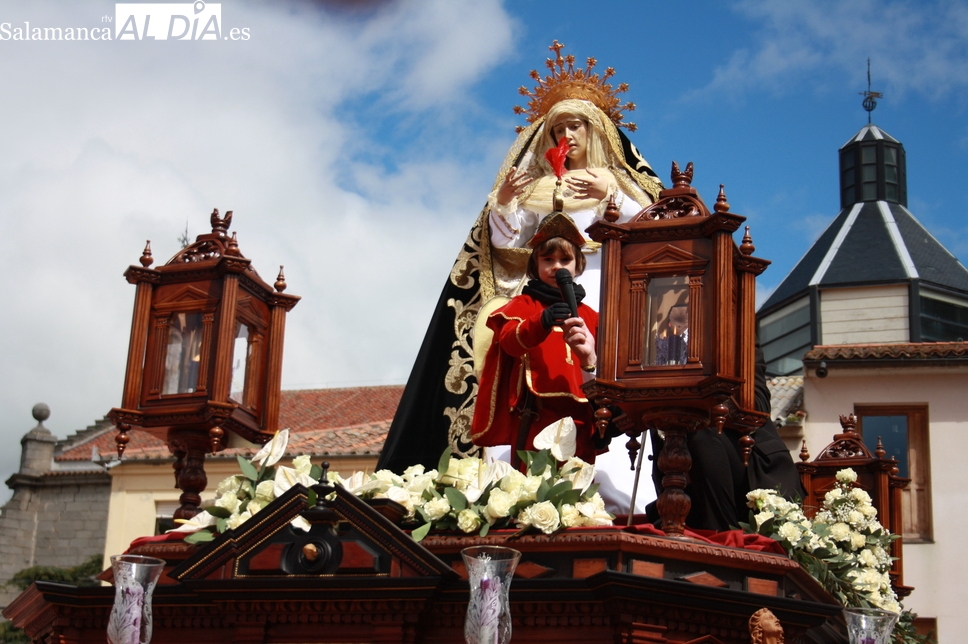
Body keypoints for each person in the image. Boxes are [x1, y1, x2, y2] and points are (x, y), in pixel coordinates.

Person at [377, 44, 662, 478]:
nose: (568, 136)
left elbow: (653, 227)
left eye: (577, 127)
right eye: (559, 128)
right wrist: (506, 204)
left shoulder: (614, 181)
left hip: (606, 284)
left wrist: (612, 197)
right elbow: (504, 243)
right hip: (543, 286)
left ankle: (612, 468)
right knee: (516, 353)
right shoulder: (536, 187)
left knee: (605, 364)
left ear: (596, 132)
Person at [471, 213, 600, 463]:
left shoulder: (591, 316)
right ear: (535, 264)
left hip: (580, 414)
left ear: (578, 265)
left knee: (578, 488)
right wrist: (541, 321)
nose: (557, 266)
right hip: (535, 413)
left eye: (565, 259)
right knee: (531, 488)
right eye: (548, 259)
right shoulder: (524, 305)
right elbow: (509, 342)